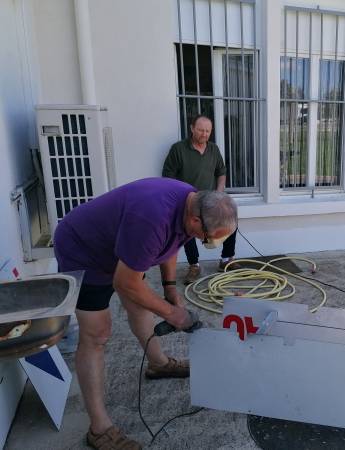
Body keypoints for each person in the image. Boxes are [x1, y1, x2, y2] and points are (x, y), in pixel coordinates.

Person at [53, 177, 237, 450]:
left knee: (140, 303)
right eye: (209, 239)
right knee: (97, 334)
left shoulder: (191, 202)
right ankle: (99, 429)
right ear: (197, 221)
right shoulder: (151, 219)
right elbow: (125, 282)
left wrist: (170, 288)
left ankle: (158, 364)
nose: (208, 243)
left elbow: (172, 244)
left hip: (120, 245)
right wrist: (173, 314)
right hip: (84, 250)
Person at [163, 115, 240, 284]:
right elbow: (167, 176)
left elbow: (221, 172)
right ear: (192, 128)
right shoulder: (178, 149)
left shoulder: (214, 149)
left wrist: (219, 194)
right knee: (188, 230)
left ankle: (226, 259)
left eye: (208, 131)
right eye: (200, 130)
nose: (204, 134)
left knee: (230, 220)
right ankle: (194, 265)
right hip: (188, 201)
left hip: (210, 200)